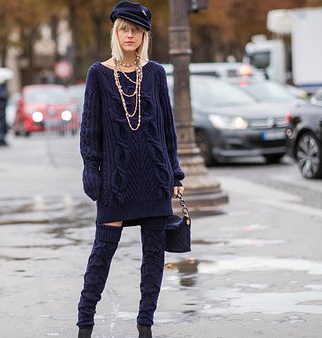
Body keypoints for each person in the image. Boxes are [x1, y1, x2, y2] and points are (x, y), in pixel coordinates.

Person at [76, 2, 184, 338]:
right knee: (102, 254)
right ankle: (84, 324)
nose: (130, 35)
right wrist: (91, 170)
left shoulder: (154, 74)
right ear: (116, 32)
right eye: (125, 29)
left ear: (144, 35)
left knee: (153, 256)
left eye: (136, 30)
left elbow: (167, 129)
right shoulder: (99, 73)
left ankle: (145, 324)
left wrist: (176, 175)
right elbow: (89, 128)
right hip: (115, 181)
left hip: (154, 177)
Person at [0, 68, 12, 147]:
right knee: (2, 124)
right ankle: (1, 139)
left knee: (4, 125)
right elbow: (0, 97)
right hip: (0, 109)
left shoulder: (2, 87)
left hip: (2, 108)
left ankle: (2, 138)